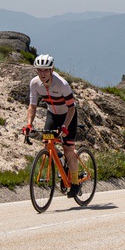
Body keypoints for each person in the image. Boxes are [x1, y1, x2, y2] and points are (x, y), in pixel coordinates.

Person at [24, 54, 81, 197]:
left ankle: (75, 183)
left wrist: (65, 126)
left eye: (45, 70)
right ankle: (60, 162)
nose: (42, 73)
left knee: (68, 150)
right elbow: (32, 106)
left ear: (52, 70)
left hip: (68, 116)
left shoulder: (62, 84)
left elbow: (72, 108)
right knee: (47, 145)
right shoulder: (34, 83)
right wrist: (29, 124)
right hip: (52, 114)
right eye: (39, 70)